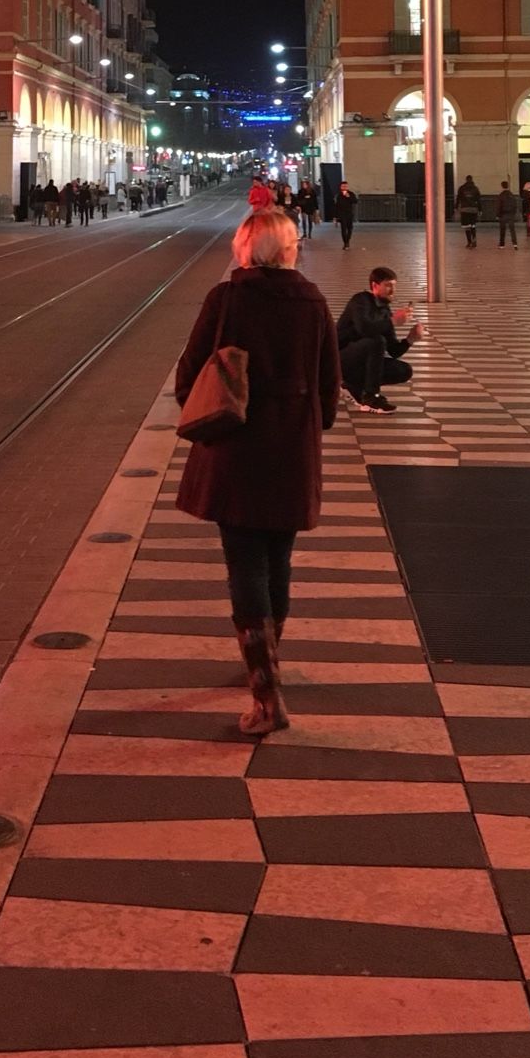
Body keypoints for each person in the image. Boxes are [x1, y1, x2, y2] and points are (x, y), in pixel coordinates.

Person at [175, 206, 341, 734]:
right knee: (278, 559)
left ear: (244, 249)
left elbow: (188, 377)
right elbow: (329, 388)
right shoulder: (312, 302)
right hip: (291, 447)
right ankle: (269, 663)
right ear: (289, 248)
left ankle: (265, 692)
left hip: (237, 448)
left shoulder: (227, 298)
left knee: (244, 564)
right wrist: (308, 420)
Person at [335, 266, 423, 413]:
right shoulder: (360, 301)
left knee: (403, 370)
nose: (392, 291)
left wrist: (410, 339)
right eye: (388, 286)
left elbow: (393, 350)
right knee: (376, 341)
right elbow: (364, 328)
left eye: (394, 286)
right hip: (340, 357)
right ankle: (371, 397)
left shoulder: (384, 310)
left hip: (360, 362)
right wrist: (393, 321)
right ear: (375, 286)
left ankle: (354, 385)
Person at [454, 174, 482, 248]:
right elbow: (479, 200)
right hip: (473, 209)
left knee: (467, 226)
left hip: (465, 209)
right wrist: (480, 209)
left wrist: (456, 207)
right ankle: (474, 238)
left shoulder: (462, 188)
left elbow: (458, 198)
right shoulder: (475, 188)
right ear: (472, 180)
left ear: (466, 180)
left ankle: (469, 242)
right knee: (473, 225)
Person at [495, 180, 518, 249]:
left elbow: (498, 206)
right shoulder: (512, 195)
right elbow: (515, 205)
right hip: (511, 214)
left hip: (503, 214)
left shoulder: (501, 195)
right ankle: (515, 244)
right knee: (512, 230)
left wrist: (497, 215)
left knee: (502, 229)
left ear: (502, 186)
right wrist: (514, 213)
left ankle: (502, 244)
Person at [335, 180, 358, 249]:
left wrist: (349, 197)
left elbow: (355, 201)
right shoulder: (338, 195)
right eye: (343, 186)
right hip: (342, 214)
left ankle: (348, 240)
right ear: (340, 187)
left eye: (346, 186)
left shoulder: (351, 193)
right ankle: (345, 243)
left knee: (350, 228)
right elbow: (336, 206)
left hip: (349, 213)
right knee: (343, 228)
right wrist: (335, 217)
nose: (344, 188)